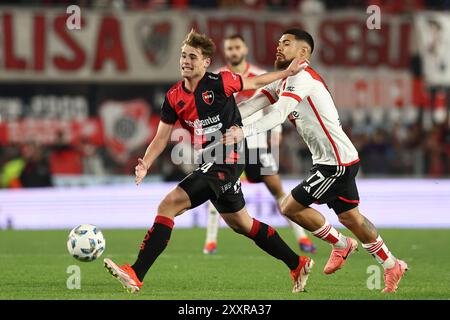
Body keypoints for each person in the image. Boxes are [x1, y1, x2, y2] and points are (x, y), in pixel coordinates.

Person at [104, 29, 313, 294]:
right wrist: (145, 162)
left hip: (229, 159)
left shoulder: (220, 82)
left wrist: (286, 73)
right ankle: (298, 263)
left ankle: (136, 273)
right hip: (210, 162)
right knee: (242, 223)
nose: (186, 61)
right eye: (183, 55)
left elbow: (254, 82)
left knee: (168, 204)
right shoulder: (173, 97)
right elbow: (160, 138)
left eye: (193, 56)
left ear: (205, 62)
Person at [223, 29, 408, 293]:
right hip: (338, 159)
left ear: (303, 52)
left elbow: (279, 113)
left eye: (286, 43)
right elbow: (252, 105)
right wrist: (222, 121)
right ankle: (392, 264)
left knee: (289, 207)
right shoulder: (284, 80)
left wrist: (244, 131)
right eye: (278, 43)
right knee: (352, 218)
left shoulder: (303, 78)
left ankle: (342, 244)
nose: (279, 47)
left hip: (335, 164)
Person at [203, 34, 316, 255]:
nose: (233, 52)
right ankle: (210, 241)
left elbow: (274, 104)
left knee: (277, 188)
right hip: (226, 144)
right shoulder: (217, 78)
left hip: (255, 144)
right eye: (229, 48)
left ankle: (302, 238)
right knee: (215, 189)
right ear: (226, 52)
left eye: (237, 47)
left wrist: (276, 132)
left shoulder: (259, 75)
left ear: (244, 49)